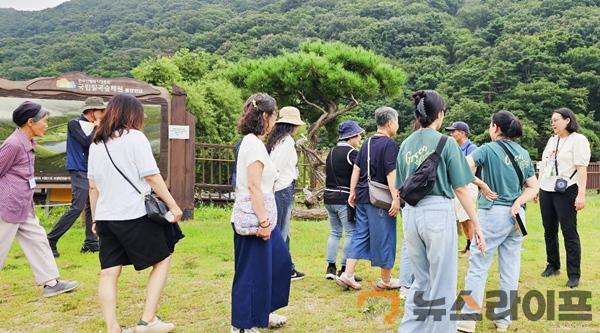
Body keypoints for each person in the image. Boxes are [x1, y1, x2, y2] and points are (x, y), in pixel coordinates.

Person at [88, 94, 183, 333]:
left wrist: (96, 218)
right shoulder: (135, 138)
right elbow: (151, 175)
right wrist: (172, 205)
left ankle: (112, 327)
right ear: (132, 115)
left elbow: (92, 186)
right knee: (162, 258)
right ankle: (148, 320)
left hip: (107, 216)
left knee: (108, 272)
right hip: (133, 213)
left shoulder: (96, 143)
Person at [396, 90, 486, 333]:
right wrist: (476, 225)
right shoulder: (446, 143)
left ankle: (411, 329)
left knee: (421, 279)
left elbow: (400, 187)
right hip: (437, 211)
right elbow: (461, 188)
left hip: (411, 215)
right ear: (440, 114)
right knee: (442, 282)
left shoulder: (405, 144)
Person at [456, 110, 539, 333]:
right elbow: (534, 186)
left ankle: (467, 319)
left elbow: (458, 170)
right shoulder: (522, 153)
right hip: (516, 216)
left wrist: (481, 184)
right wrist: (518, 202)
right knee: (511, 268)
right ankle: (503, 321)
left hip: (491, 214)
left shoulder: (486, 149)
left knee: (478, 266)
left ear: (496, 128)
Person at [0, 101, 79, 298]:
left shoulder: (27, 142)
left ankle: (50, 283)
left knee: (38, 239)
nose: (46, 124)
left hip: (23, 204)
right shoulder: (13, 144)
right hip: (7, 205)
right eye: (44, 120)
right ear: (30, 122)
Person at [231, 93, 292, 333]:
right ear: (265, 116)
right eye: (274, 116)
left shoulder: (253, 141)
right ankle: (242, 325)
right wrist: (264, 222)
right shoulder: (253, 144)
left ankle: (262, 312)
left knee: (279, 263)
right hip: (256, 218)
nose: (274, 121)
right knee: (250, 272)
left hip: (263, 216)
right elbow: (254, 186)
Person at [336, 107, 402, 291]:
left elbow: (356, 169)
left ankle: (347, 274)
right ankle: (386, 280)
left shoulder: (367, 142)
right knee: (385, 236)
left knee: (360, 234)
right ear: (390, 123)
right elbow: (391, 173)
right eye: (397, 121)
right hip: (379, 199)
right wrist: (396, 198)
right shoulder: (389, 144)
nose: (397, 125)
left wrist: (352, 192)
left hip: (363, 195)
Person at [538, 107, 591, 288]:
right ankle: (553, 265)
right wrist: (538, 188)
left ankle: (574, 274)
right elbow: (544, 165)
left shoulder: (578, 140)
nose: (552, 123)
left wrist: (581, 195)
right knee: (548, 229)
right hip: (546, 188)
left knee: (569, 231)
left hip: (566, 189)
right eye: (551, 120)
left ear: (567, 120)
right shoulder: (552, 141)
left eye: (556, 120)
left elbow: (582, 168)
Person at [48, 97, 106, 257]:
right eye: (101, 111)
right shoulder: (74, 123)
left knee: (90, 206)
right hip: (79, 169)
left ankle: (91, 242)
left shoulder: (97, 125)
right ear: (92, 111)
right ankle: (50, 240)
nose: (103, 114)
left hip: (91, 170)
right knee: (78, 206)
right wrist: (96, 128)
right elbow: (87, 142)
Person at [266, 106, 306, 281]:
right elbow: (275, 169)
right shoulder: (287, 142)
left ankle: (286, 267)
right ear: (292, 125)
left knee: (282, 230)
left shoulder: (276, 140)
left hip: (278, 189)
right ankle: (280, 270)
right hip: (281, 189)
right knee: (281, 231)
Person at [323, 120, 364, 280]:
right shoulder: (352, 153)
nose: (360, 138)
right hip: (343, 198)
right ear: (351, 136)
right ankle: (345, 269)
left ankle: (330, 268)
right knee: (352, 233)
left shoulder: (331, 152)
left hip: (328, 197)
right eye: (358, 135)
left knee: (334, 232)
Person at [445, 121, 479, 257]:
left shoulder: (471, 148)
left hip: (468, 186)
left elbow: (471, 169)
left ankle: (472, 248)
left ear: (463, 133)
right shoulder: (454, 147)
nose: (451, 134)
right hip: (455, 186)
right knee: (461, 218)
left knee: (467, 218)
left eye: (454, 131)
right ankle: (468, 244)